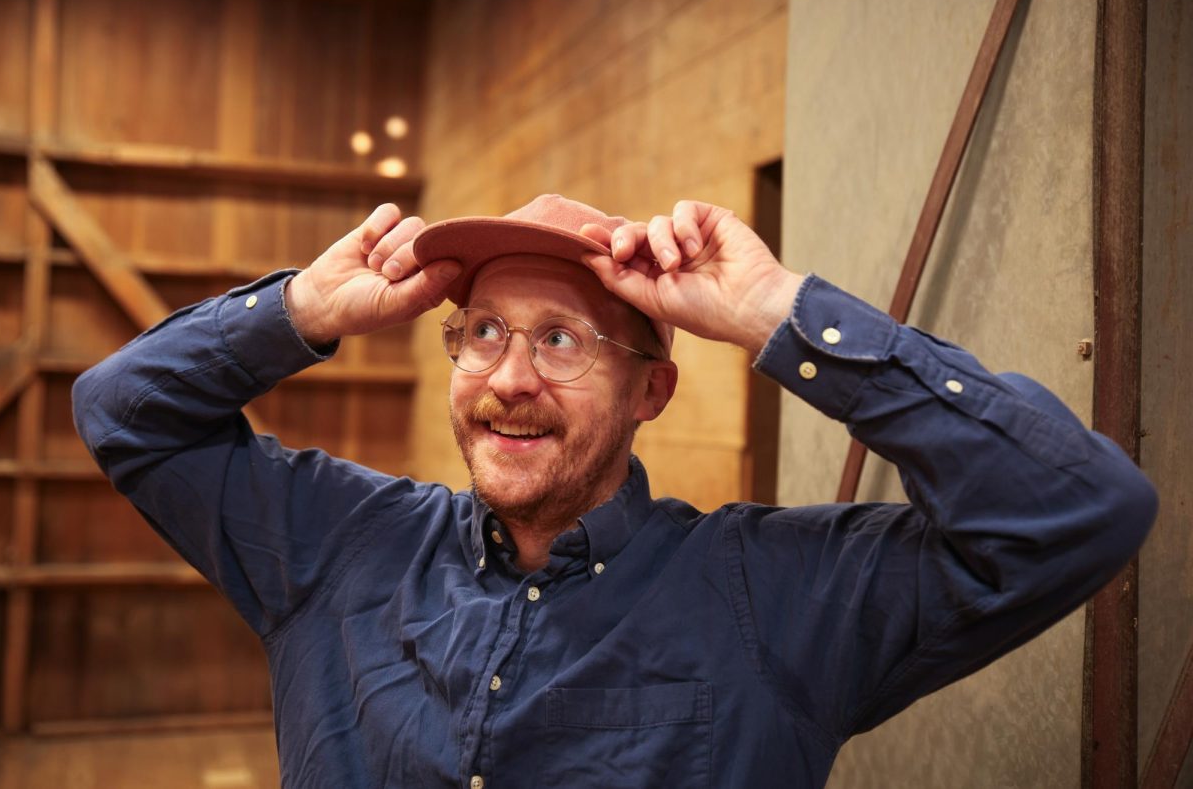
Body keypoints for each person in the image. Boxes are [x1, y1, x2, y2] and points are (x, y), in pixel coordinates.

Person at [72, 194, 1156, 788]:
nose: (508, 378)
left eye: (561, 339)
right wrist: (300, 308)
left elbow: (1077, 509)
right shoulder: (336, 542)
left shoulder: (776, 592)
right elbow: (124, 411)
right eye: (483, 333)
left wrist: (783, 312)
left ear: (653, 392)